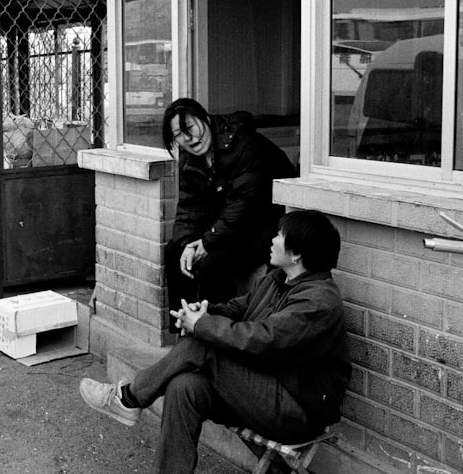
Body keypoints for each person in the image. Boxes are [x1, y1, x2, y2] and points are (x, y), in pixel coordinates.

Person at [80, 209, 351, 473]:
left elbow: (264, 340)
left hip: (297, 410)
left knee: (203, 344)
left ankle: (127, 397)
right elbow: (239, 308)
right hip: (262, 390)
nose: (272, 239)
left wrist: (202, 326)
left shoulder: (318, 302)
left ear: (297, 253)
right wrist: (204, 312)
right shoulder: (278, 279)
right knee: (184, 386)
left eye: (279, 235)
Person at [161, 98, 296, 332]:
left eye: (190, 128)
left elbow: (245, 204)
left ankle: (215, 334)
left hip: (263, 223)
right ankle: (185, 330)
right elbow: (190, 205)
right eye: (180, 135)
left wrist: (208, 241)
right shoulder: (189, 157)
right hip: (229, 224)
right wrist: (188, 244)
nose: (189, 138)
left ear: (205, 119)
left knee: (213, 263)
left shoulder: (244, 145)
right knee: (175, 253)